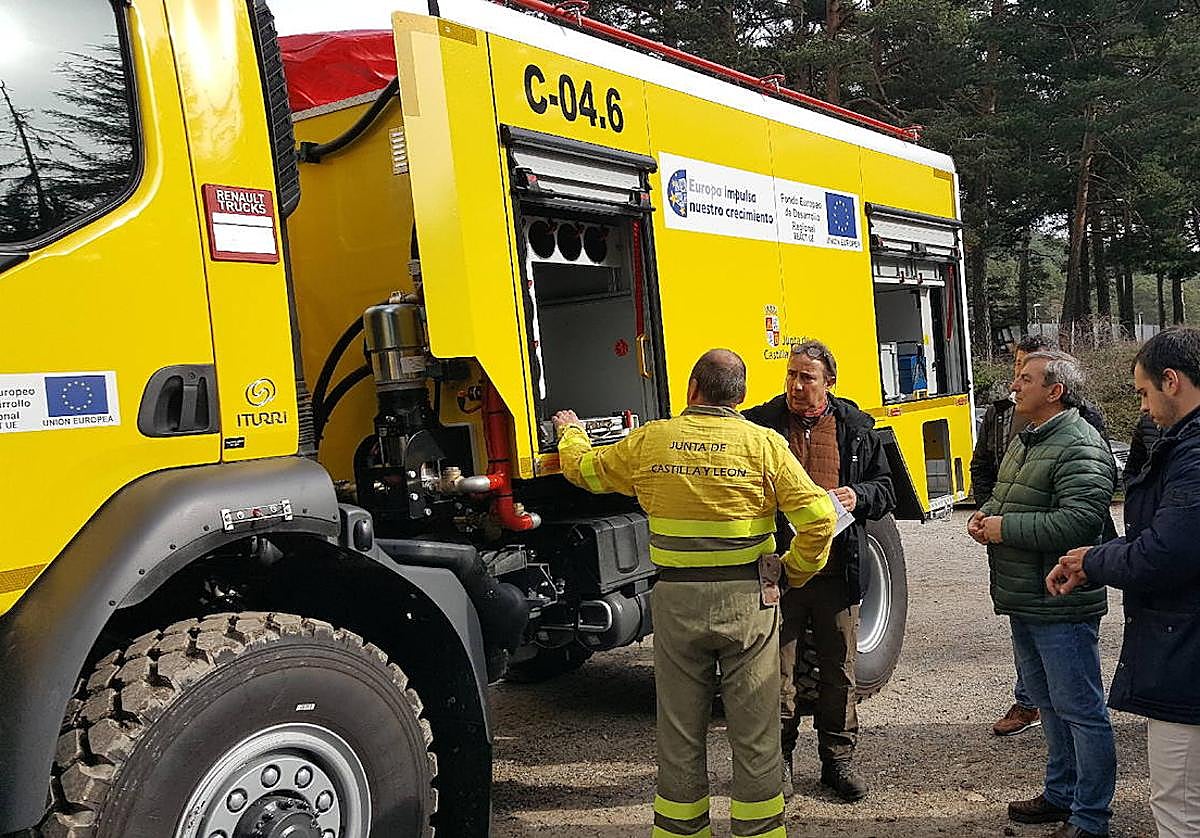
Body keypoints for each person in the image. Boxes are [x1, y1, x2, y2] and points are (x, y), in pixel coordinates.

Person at [554, 348, 837, 838]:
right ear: (741, 396)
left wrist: (570, 432)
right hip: (748, 599)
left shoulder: (653, 441)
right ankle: (761, 830)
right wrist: (793, 571)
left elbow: (587, 471)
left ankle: (682, 830)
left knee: (680, 725)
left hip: (677, 602)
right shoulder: (764, 445)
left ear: (691, 390)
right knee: (755, 725)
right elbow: (819, 519)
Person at [1047, 328, 1200, 838]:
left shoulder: (1194, 456)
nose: (1143, 408)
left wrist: (1093, 561)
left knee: (1180, 807)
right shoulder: (1180, 444)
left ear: (1172, 381)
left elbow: (1166, 551)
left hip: (1187, 657)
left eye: (1143, 393)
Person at [969, 350, 1117, 838]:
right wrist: (983, 514)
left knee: (1081, 709)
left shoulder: (1081, 446)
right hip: (1026, 600)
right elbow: (1005, 494)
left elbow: (1079, 522)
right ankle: (1061, 794)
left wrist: (1002, 527)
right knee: (1051, 705)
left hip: (1062, 604)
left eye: (1025, 379)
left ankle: (1091, 817)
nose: (1015, 387)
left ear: (1054, 391)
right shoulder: (1027, 439)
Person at [743, 340, 894, 803]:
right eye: (791, 374)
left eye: (806, 376)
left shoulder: (856, 428)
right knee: (775, 675)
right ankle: (780, 763)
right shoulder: (762, 424)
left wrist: (858, 496)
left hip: (835, 572)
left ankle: (838, 761)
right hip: (781, 572)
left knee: (839, 672)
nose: (795, 384)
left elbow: (886, 490)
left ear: (829, 381)